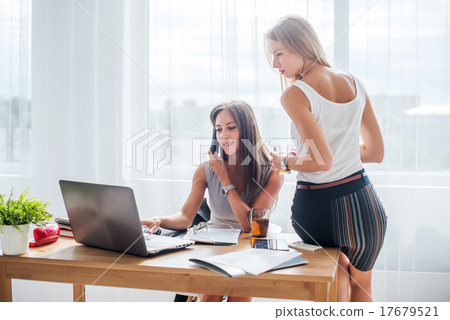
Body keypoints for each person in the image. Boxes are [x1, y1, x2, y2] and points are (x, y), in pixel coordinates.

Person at [265, 15, 387, 302]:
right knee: (362, 288)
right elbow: (375, 152)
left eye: (279, 53)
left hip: (322, 209)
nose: (275, 64)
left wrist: (285, 162)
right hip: (365, 206)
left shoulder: (295, 93)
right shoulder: (355, 83)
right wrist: (337, 149)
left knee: (332, 290)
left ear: (300, 45)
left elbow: (322, 162)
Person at [142, 100, 284, 302]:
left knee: (239, 296)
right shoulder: (205, 170)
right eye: (218, 130)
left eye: (231, 128)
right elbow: (185, 217)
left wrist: (224, 179)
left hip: (250, 247)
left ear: (247, 131)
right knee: (209, 295)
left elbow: (250, 225)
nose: (223, 136)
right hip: (215, 244)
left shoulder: (272, 172)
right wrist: (158, 219)